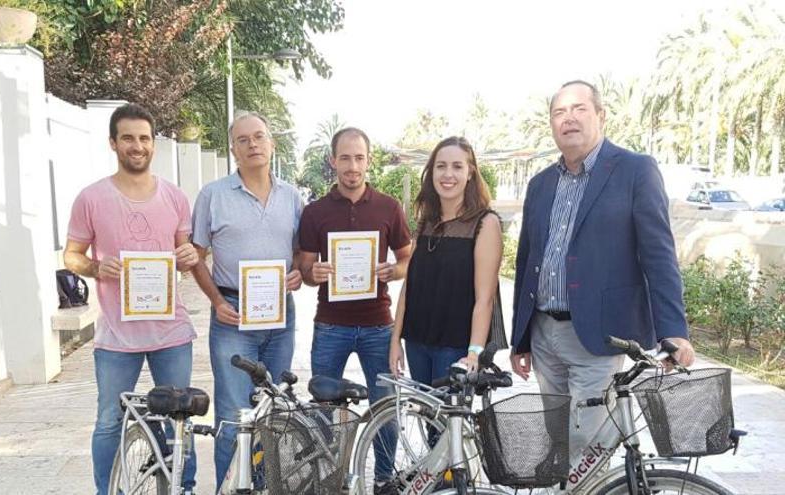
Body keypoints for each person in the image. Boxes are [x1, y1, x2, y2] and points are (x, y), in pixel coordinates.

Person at [509, 80, 696, 457]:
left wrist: (673, 331)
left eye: (579, 109)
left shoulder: (635, 171)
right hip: (545, 335)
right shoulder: (541, 184)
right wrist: (521, 337)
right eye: (559, 112)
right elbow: (528, 261)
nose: (569, 119)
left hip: (597, 337)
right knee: (558, 439)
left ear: (601, 116)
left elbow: (658, 255)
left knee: (588, 442)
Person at [63, 103, 200, 495]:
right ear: (113, 143)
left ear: (153, 144)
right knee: (109, 421)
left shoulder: (174, 197)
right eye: (128, 138)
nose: (137, 146)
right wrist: (93, 268)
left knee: (178, 419)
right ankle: (108, 491)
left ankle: (181, 488)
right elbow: (71, 254)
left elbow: (185, 254)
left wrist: (191, 256)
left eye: (144, 138)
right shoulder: (90, 198)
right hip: (117, 338)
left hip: (170, 333)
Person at [190, 111, 303, 488]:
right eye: (243, 140)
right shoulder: (213, 195)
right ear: (233, 150)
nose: (253, 144)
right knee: (233, 418)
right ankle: (229, 486)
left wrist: (300, 272)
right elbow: (196, 255)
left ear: (272, 144)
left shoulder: (292, 197)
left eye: (259, 137)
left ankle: (262, 485)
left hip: (280, 318)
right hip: (232, 316)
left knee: (271, 415)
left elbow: (302, 252)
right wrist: (216, 302)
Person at [297, 127, 412, 489]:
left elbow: (409, 260)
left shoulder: (389, 207)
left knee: (386, 411)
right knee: (325, 413)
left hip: (379, 325)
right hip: (331, 326)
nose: (352, 166)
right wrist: (312, 273)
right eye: (345, 158)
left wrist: (393, 270)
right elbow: (305, 266)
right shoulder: (314, 212)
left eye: (359, 158)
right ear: (333, 161)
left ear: (368, 160)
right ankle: (330, 482)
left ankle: (382, 481)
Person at [390, 136, 506, 385]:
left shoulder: (485, 223)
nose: (448, 174)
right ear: (431, 172)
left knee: (448, 423)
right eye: (440, 166)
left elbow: (485, 299)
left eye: (457, 166)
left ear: (470, 173)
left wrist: (474, 352)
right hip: (417, 342)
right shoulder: (426, 222)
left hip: (455, 348)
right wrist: (395, 340)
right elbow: (408, 287)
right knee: (427, 422)